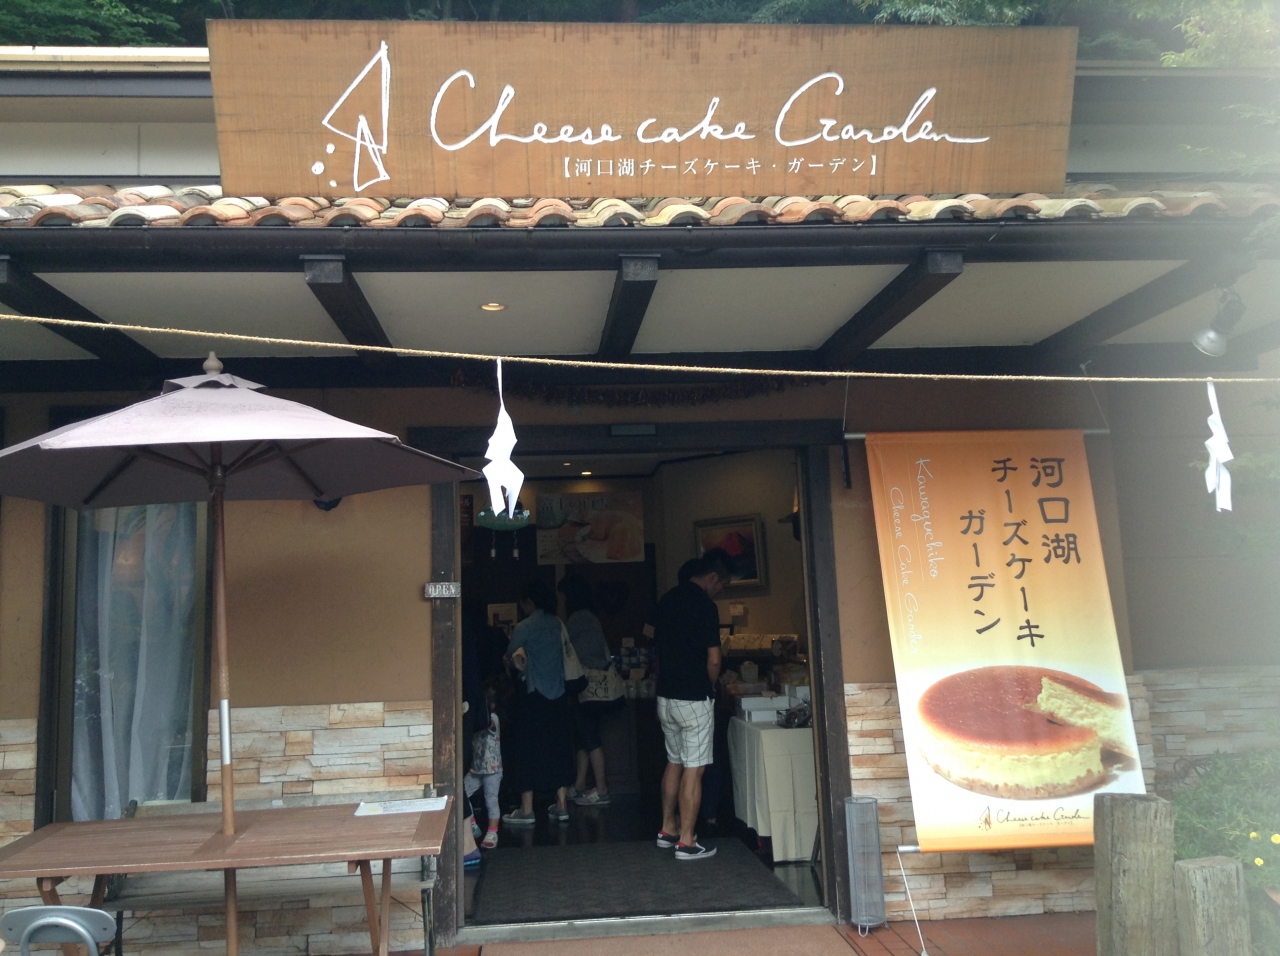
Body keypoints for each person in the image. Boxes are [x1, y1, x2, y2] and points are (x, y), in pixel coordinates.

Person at [652, 548, 732, 861]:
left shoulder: (666, 600)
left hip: (665, 696)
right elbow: (714, 659)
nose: (720, 589)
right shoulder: (705, 606)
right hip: (694, 697)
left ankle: (667, 828)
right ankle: (686, 841)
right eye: (721, 583)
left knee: (674, 761)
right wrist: (711, 683)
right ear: (712, 577)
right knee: (694, 769)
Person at [501, 578, 575, 827]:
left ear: (529, 602)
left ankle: (527, 809)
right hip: (559, 695)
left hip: (534, 697)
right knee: (559, 749)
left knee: (527, 750)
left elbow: (510, 654)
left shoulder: (525, 626)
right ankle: (561, 805)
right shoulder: (557, 623)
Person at [558, 574, 622, 807]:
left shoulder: (579, 619)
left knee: (590, 736)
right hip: (593, 687)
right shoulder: (590, 617)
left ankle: (601, 790)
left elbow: (569, 649)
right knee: (585, 736)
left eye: (562, 595)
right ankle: (579, 785)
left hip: (587, 686)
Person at [464, 683, 503, 850]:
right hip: (476, 769)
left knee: (491, 800)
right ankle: (472, 823)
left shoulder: (493, 718)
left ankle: (493, 832)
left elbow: (487, 723)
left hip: (492, 769)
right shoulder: (474, 720)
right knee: (461, 792)